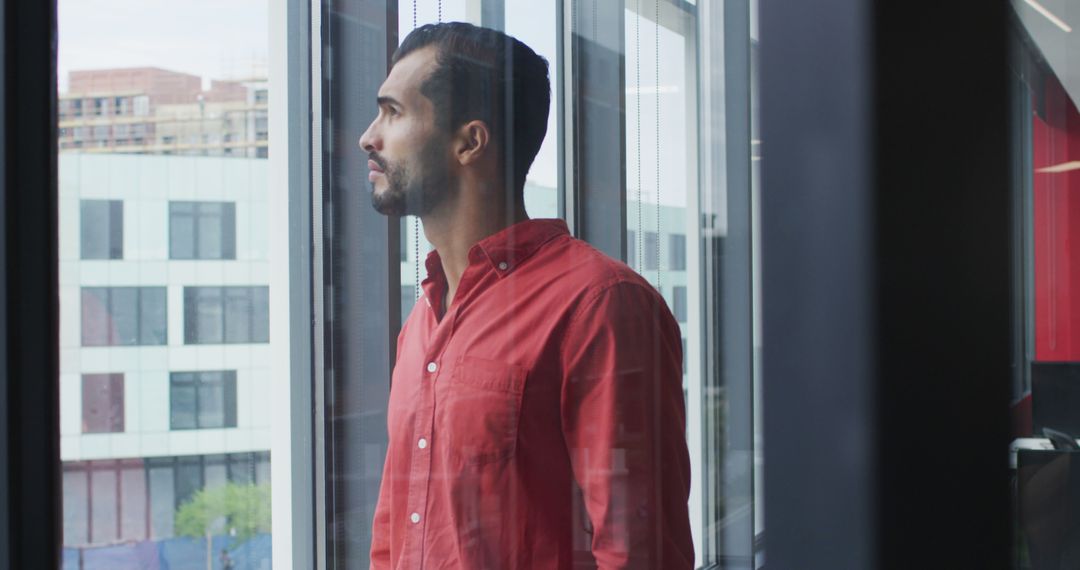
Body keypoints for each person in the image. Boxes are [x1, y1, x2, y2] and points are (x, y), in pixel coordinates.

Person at [361, 22, 693, 569]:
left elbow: (640, 552)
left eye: (393, 112)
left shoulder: (600, 305)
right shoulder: (422, 320)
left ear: (470, 141)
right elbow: (392, 533)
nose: (368, 137)